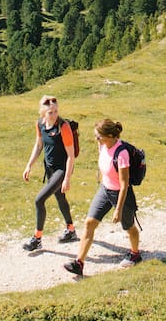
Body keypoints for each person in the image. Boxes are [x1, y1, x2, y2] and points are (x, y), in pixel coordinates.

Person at [63, 118, 141, 275]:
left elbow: (124, 184)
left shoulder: (122, 154)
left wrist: (118, 210)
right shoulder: (103, 145)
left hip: (121, 195)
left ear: (111, 136)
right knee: (89, 223)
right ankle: (79, 263)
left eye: (99, 136)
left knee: (129, 227)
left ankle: (135, 254)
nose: (96, 139)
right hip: (105, 190)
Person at [21, 95, 78, 251]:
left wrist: (66, 178)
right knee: (60, 197)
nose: (54, 115)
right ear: (42, 113)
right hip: (50, 169)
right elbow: (38, 146)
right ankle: (71, 230)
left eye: (55, 111)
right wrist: (29, 165)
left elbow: (71, 155)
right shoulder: (40, 124)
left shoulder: (63, 127)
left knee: (39, 200)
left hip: (62, 169)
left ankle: (37, 238)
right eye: (50, 112)